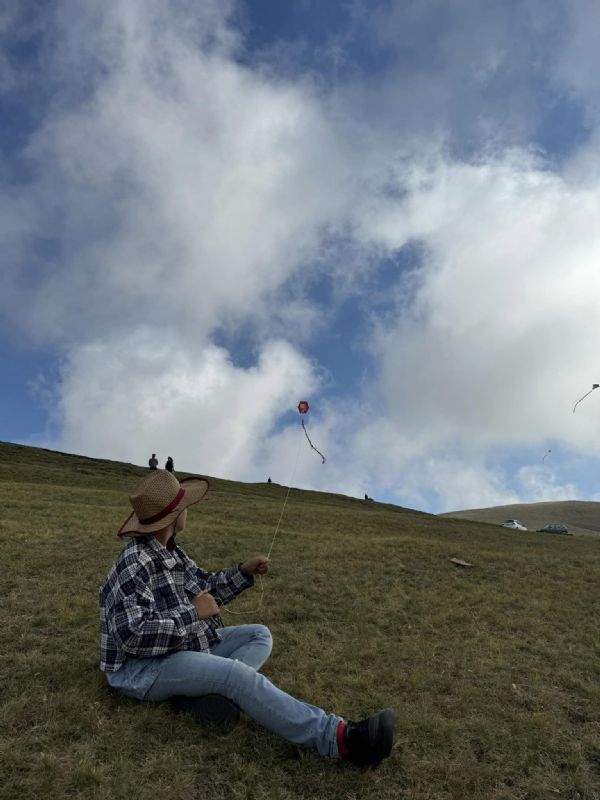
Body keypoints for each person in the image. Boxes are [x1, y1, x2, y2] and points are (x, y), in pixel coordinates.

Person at [99, 469, 394, 766]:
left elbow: (207, 589)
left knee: (259, 635)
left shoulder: (172, 552)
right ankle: (340, 739)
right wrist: (192, 614)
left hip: (181, 646)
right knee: (234, 675)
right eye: (185, 505)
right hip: (143, 668)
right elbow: (132, 635)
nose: (189, 510)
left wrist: (243, 572)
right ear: (175, 515)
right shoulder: (134, 562)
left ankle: (198, 692)